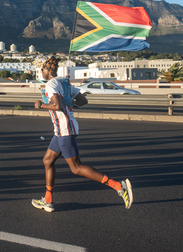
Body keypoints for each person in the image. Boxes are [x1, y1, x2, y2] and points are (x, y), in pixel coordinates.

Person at [32, 56, 133, 213]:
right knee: (47, 160)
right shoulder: (64, 83)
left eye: (42, 69)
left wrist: (41, 105)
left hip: (64, 130)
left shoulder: (51, 84)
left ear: (48, 70)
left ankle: (118, 186)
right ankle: (48, 200)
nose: (41, 72)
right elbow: (83, 101)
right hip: (62, 129)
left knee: (76, 168)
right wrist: (70, 103)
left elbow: (57, 106)